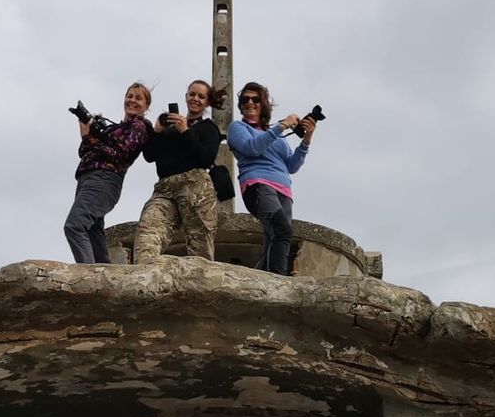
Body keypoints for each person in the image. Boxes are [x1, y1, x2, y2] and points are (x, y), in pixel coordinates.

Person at [226, 81, 316, 275]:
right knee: (282, 231)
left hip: (284, 189)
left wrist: (306, 139)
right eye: (245, 99)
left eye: (255, 99)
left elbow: (292, 165)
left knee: (273, 240)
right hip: (257, 185)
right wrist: (282, 126)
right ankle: (279, 281)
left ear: (263, 104)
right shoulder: (238, 128)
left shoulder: (274, 135)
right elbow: (252, 147)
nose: (250, 102)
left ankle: (257, 282)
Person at [134, 80, 225, 263]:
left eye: (201, 96)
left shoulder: (208, 128)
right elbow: (149, 155)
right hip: (165, 188)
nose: (195, 99)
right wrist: (158, 131)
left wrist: (186, 131)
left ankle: (203, 289)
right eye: (192, 94)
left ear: (207, 102)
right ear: (185, 96)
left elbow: (205, 159)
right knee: (147, 233)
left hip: (195, 186)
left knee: (200, 247)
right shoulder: (170, 129)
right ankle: (146, 282)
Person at [64, 82, 151, 264]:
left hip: (104, 180)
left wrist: (91, 138)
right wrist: (89, 132)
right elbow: (84, 151)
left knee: (75, 225)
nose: (132, 100)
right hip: (88, 179)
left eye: (138, 98)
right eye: (129, 96)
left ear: (146, 106)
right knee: (93, 232)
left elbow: (120, 155)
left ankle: (88, 280)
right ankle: (104, 277)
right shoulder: (114, 129)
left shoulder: (139, 127)